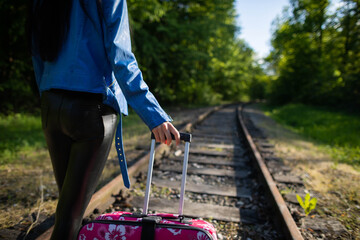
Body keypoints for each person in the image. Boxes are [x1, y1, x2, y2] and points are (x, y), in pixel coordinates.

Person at [30, 0, 180, 239]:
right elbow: (121, 58)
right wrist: (154, 115)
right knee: (70, 217)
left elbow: (37, 51)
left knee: (68, 206)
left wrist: (49, 95)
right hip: (91, 110)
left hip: (51, 104)